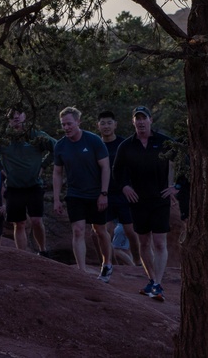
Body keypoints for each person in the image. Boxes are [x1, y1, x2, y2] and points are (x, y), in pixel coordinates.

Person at [113, 106, 177, 302]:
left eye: (144, 118)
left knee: (159, 242)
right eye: (137, 119)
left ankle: (157, 284)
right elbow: (117, 170)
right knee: (143, 242)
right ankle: (152, 280)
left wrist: (177, 186)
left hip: (160, 199)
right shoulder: (126, 145)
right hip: (137, 201)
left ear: (150, 120)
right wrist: (125, 187)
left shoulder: (164, 142)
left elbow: (185, 161)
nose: (140, 122)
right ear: (133, 122)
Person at [52, 106, 113, 281]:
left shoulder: (93, 141)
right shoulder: (60, 146)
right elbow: (57, 172)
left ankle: (107, 264)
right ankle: (82, 271)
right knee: (78, 231)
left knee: (100, 230)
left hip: (96, 194)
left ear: (78, 122)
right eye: (63, 124)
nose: (66, 127)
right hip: (75, 194)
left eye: (69, 124)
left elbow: (105, 167)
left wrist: (104, 193)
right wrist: (56, 199)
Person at [0, 105, 56, 256]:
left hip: (33, 186)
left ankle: (43, 251)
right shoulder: (2, 138)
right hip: (13, 187)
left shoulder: (36, 135)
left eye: (19, 114)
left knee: (36, 221)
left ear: (25, 116)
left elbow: (56, 147)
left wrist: (43, 165)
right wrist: (0, 168)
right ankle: (22, 256)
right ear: (8, 119)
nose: (16, 117)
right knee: (19, 223)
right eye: (12, 115)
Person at [95, 110, 141, 266]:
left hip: (123, 193)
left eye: (109, 123)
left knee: (131, 231)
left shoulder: (124, 144)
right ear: (98, 126)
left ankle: (138, 263)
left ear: (115, 125)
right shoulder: (96, 145)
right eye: (103, 123)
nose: (106, 126)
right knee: (99, 232)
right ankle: (110, 264)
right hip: (104, 194)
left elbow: (134, 167)